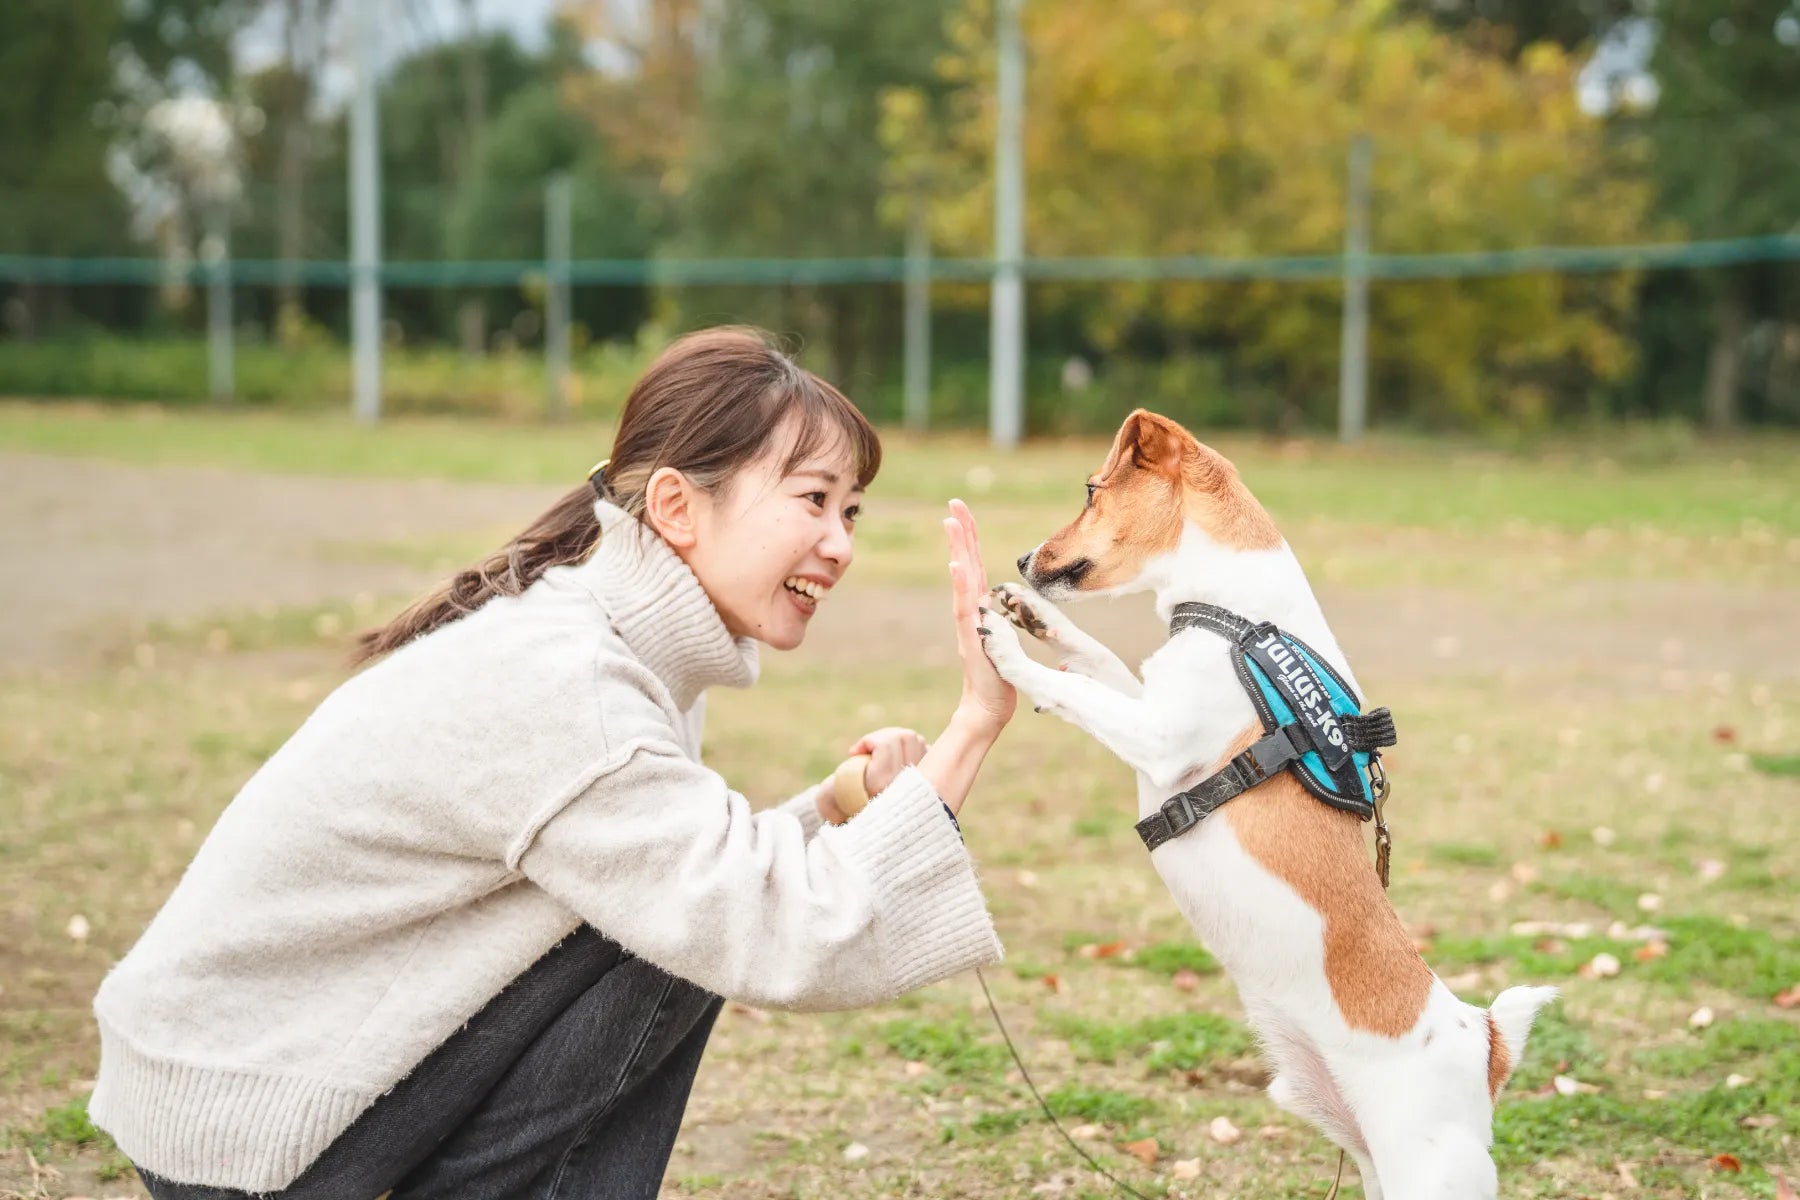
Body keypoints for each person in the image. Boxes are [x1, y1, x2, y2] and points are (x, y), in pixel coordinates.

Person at [88, 327, 1018, 1200]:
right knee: (671, 940)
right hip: (244, 1122)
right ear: (676, 507)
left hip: (248, 1081)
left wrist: (843, 803)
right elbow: (760, 923)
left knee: (674, 919)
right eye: (812, 501)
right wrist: (975, 723)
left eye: (850, 511)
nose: (840, 544)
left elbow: (695, 873)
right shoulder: (574, 685)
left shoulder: (608, 641)